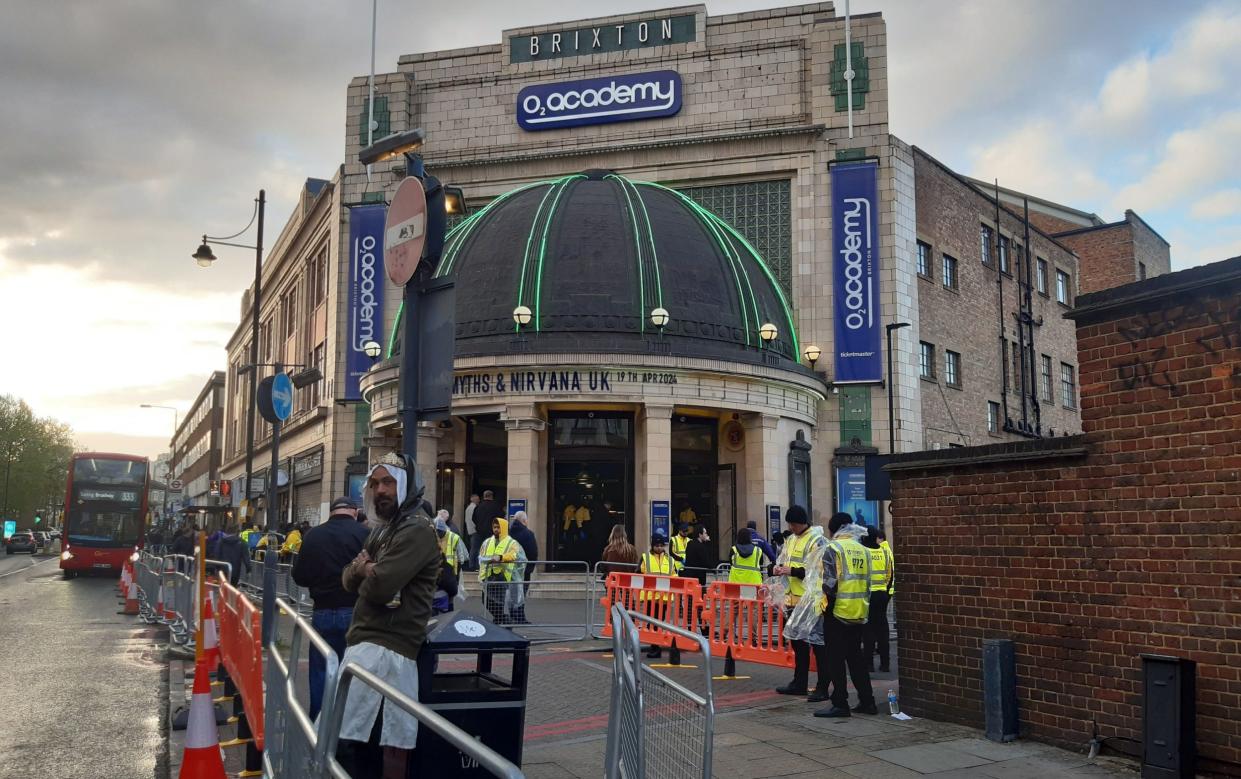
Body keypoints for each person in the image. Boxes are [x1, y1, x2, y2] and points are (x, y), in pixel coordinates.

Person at [337, 454, 441, 776]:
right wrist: (363, 569)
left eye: (388, 482)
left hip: (388, 652)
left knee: (363, 749)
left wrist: (365, 571)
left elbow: (380, 588)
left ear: (405, 484)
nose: (380, 490)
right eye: (375, 483)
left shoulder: (416, 531)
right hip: (367, 648)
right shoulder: (383, 531)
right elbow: (345, 579)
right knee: (351, 745)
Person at [291, 497, 369, 721]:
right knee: (353, 671)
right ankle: (347, 725)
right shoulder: (364, 534)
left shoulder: (313, 535)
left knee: (321, 670)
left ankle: (319, 722)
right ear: (354, 512)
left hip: (322, 611)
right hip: (355, 611)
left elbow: (300, 576)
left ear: (332, 512)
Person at [814, 513, 877, 718]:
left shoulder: (833, 549)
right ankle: (868, 701)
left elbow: (830, 583)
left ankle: (840, 702)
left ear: (833, 530)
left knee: (835, 659)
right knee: (856, 658)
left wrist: (825, 607)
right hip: (858, 611)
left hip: (837, 611)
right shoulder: (863, 550)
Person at [773, 505, 830, 701]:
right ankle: (800, 683)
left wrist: (792, 571)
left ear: (800, 522)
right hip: (792, 599)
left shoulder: (816, 540)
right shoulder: (791, 539)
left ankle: (823, 687)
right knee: (798, 644)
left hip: (811, 601)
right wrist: (778, 568)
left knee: (818, 645)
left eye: (793, 523)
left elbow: (817, 571)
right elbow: (784, 560)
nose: (790, 527)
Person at [478, 517, 527, 625]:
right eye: (495, 527)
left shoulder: (512, 542)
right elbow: (481, 555)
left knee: (499, 601)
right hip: (489, 575)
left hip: (502, 576)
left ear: (504, 528)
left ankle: (501, 620)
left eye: (498, 528)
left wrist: (501, 557)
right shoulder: (487, 542)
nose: (496, 530)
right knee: (485, 599)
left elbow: (514, 555)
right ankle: (501, 618)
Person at [864, 527, 894, 672]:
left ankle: (869, 664)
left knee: (868, 630)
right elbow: (889, 574)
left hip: (868, 595)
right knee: (883, 630)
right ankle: (885, 664)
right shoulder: (884, 552)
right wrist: (885, 590)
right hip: (882, 594)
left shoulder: (864, 552)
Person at [432, 514, 468, 615]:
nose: (438, 534)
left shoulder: (454, 537)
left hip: (451, 572)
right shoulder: (432, 537)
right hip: (436, 572)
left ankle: (448, 616)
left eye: (439, 531)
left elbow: (462, 557)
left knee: (449, 598)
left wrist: (457, 576)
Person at [508, 511, 539, 602]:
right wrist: (530, 567)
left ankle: (513, 613)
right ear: (524, 521)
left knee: (512, 595)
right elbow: (533, 552)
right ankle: (518, 615)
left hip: (510, 568)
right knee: (521, 596)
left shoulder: (508, 534)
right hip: (524, 569)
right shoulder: (528, 534)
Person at [471, 490, 502, 568]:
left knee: (477, 549)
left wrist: (479, 525)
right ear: (491, 496)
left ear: (484, 496)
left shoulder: (478, 507)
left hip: (479, 532)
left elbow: (473, 518)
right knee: (491, 550)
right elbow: (501, 519)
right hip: (492, 533)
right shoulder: (497, 506)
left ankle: (475, 566)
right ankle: (489, 566)